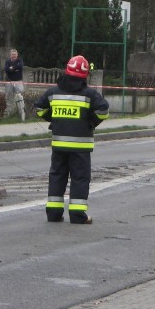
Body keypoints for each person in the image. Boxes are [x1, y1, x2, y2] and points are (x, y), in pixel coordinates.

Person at [35, 55, 110, 224]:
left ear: (66, 71)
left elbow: (39, 108)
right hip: (80, 147)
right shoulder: (89, 94)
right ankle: (77, 216)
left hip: (59, 145)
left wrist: (54, 119)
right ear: (85, 76)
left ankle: (53, 214)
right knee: (80, 179)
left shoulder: (53, 92)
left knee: (57, 176)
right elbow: (103, 111)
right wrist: (91, 122)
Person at [3, 48, 26, 120]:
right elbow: (6, 70)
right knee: (8, 96)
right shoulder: (7, 61)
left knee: (21, 95)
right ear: (10, 55)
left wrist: (12, 68)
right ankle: (8, 113)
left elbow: (20, 66)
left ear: (17, 55)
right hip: (9, 82)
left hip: (18, 81)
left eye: (15, 54)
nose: (14, 56)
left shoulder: (20, 60)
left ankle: (21, 112)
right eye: (12, 54)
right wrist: (15, 69)